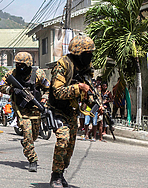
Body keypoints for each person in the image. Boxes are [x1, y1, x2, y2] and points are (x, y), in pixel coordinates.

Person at [48, 35, 94, 187]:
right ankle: (55, 176)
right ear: (78, 53)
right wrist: (78, 87)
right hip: (58, 109)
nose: (90, 57)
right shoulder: (63, 65)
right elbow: (58, 92)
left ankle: (61, 173)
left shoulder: (86, 68)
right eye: (87, 54)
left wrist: (95, 102)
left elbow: (90, 90)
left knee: (70, 147)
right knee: (63, 140)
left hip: (73, 111)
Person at [0, 52, 50, 172]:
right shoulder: (12, 74)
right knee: (27, 133)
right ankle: (32, 159)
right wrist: (11, 89)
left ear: (29, 65)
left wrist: (44, 100)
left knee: (34, 135)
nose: (20, 67)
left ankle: (27, 143)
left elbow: (48, 89)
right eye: (18, 64)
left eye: (23, 65)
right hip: (21, 109)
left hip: (35, 108)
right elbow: (1, 86)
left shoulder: (38, 74)